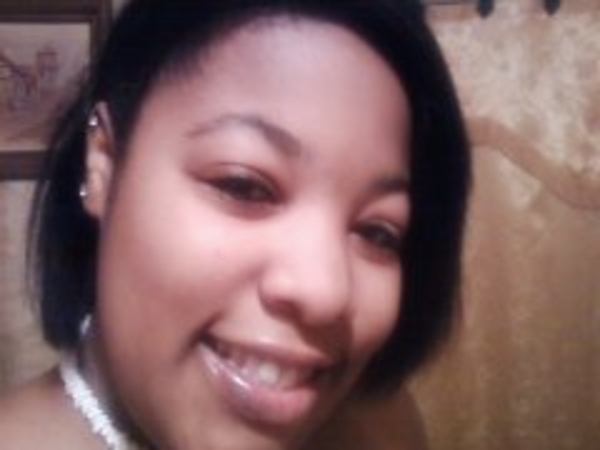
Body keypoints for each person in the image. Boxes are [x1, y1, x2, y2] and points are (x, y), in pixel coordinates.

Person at [0, 0, 470, 449]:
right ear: (103, 162)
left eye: (376, 233)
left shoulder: (385, 431)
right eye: (243, 187)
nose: (326, 292)